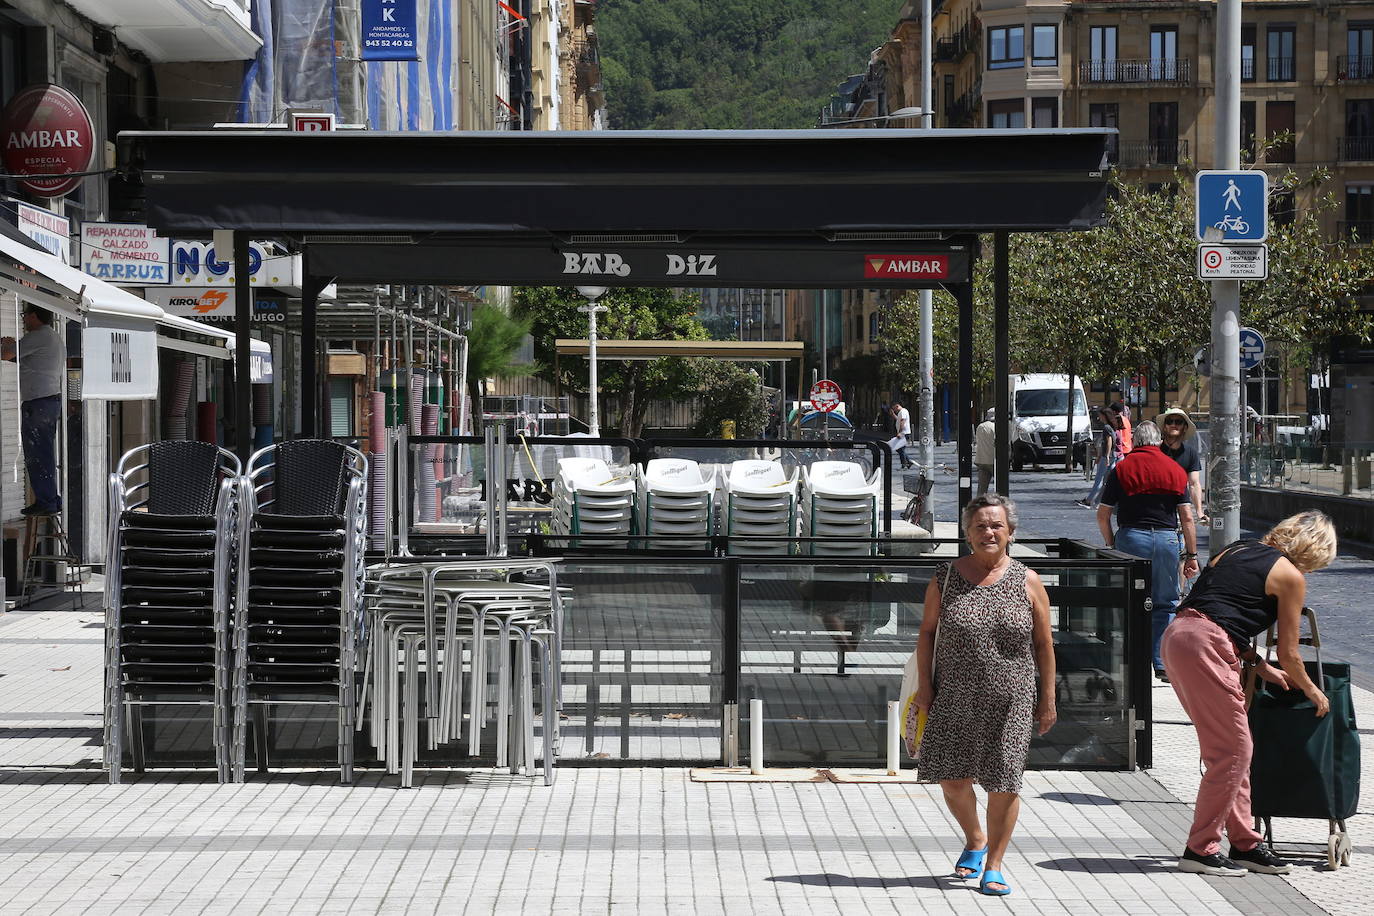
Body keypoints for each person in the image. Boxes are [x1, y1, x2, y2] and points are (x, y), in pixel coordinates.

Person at [1161, 511, 1337, 877]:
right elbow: (1290, 652)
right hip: (1207, 645)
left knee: (1234, 748)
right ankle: (1201, 849)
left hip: (1179, 636)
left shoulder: (1237, 550)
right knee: (1232, 751)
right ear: (1316, 551)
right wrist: (1313, 691)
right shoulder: (1290, 576)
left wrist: (1257, 663)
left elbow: (1216, 606)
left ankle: (1246, 844)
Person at [911, 494, 1056, 896]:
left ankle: (994, 864)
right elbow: (926, 633)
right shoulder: (946, 577)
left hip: (1012, 696)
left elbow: (1044, 644)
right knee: (953, 780)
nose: (988, 532)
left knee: (1004, 782)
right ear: (967, 533)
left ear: (1010, 532)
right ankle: (976, 839)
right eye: (979, 526)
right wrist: (925, 687)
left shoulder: (1028, 579)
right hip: (954, 693)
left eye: (995, 525)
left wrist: (1047, 699)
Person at [1096, 420, 1198, 681]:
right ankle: (1160, 661)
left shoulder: (1122, 469)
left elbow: (1103, 514)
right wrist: (1192, 554)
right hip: (1166, 540)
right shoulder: (1175, 470)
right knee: (1165, 601)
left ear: (1136, 441)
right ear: (1156, 441)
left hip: (1131, 538)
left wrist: (1111, 544)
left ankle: (1131, 659)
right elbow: (1187, 517)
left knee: (1129, 600)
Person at [1, 305, 65, 515]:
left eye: (24, 316)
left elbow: (6, 354)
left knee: (37, 453)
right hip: (47, 402)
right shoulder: (52, 337)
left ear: (34, 316)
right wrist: (12, 347)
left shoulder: (38, 336)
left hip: (39, 403)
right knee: (43, 452)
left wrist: (8, 344)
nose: (23, 320)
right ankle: (51, 499)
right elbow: (15, 356)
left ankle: (46, 502)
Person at [1157, 407, 1205, 525]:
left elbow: (1194, 484)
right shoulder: (1155, 450)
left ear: (1185, 428)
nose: (1173, 425)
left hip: (1180, 507)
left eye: (1178, 422)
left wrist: (1199, 512)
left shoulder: (1191, 453)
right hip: (1157, 509)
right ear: (1164, 427)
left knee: (1183, 541)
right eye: (1169, 422)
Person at [1076, 405, 1125, 509]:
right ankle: (1098, 502)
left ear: (1105, 416)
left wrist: (1106, 456)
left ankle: (1089, 501)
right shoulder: (1113, 427)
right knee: (1106, 482)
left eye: (1100, 416)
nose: (1099, 418)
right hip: (1114, 457)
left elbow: (1108, 442)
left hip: (1108, 457)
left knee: (1099, 480)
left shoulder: (1107, 428)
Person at [974, 407, 996, 496]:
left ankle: (978, 506)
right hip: (993, 460)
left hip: (981, 460)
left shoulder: (980, 426)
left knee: (982, 489)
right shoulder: (996, 427)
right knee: (1000, 487)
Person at [890, 400, 913, 470]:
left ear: (897, 406)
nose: (894, 410)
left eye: (894, 408)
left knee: (900, 449)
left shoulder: (903, 411)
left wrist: (900, 432)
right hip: (904, 433)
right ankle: (907, 462)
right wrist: (893, 414)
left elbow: (902, 422)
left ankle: (905, 464)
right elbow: (898, 420)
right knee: (900, 449)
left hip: (904, 433)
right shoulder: (902, 412)